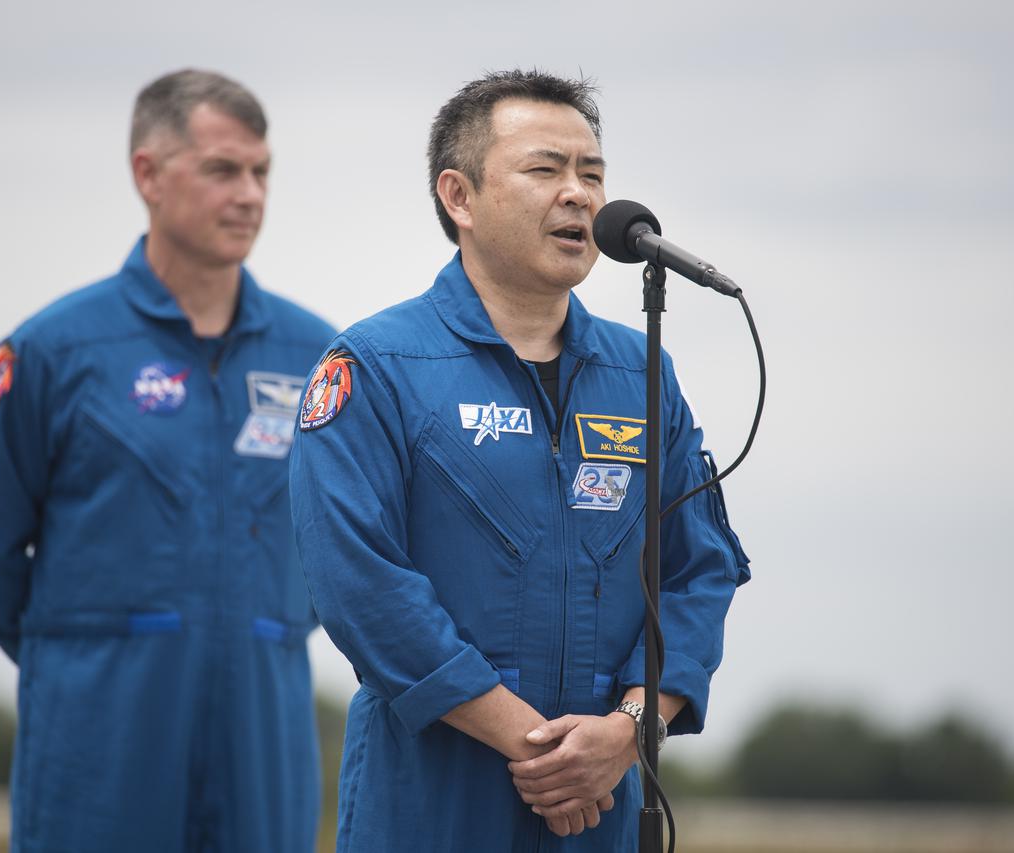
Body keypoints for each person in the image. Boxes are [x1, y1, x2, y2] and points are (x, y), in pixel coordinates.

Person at [289, 69, 752, 851]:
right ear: (458, 197)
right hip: (433, 793)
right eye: (545, 169)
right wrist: (536, 746)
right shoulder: (376, 364)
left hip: (604, 796)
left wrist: (627, 731)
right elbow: (360, 582)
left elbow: (696, 571)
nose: (578, 194)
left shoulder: (642, 373)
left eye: (593, 174)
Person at [0, 69, 334, 852]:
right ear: (148, 174)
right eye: (223, 169)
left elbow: (351, 543)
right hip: (98, 740)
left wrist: (264, 626)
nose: (250, 193)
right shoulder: (56, 350)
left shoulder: (319, 355)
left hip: (264, 726)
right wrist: (85, 645)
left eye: (261, 172)